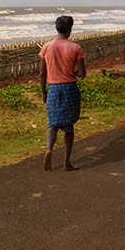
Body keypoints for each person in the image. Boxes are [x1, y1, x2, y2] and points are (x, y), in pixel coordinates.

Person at [39, 15, 86, 171]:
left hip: (53, 89)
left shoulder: (46, 47)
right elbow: (82, 73)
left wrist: (43, 92)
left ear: (56, 28)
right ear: (70, 29)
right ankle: (67, 163)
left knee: (53, 123)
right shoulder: (75, 48)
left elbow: (41, 73)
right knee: (69, 127)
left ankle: (49, 149)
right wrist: (73, 71)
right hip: (69, 89)